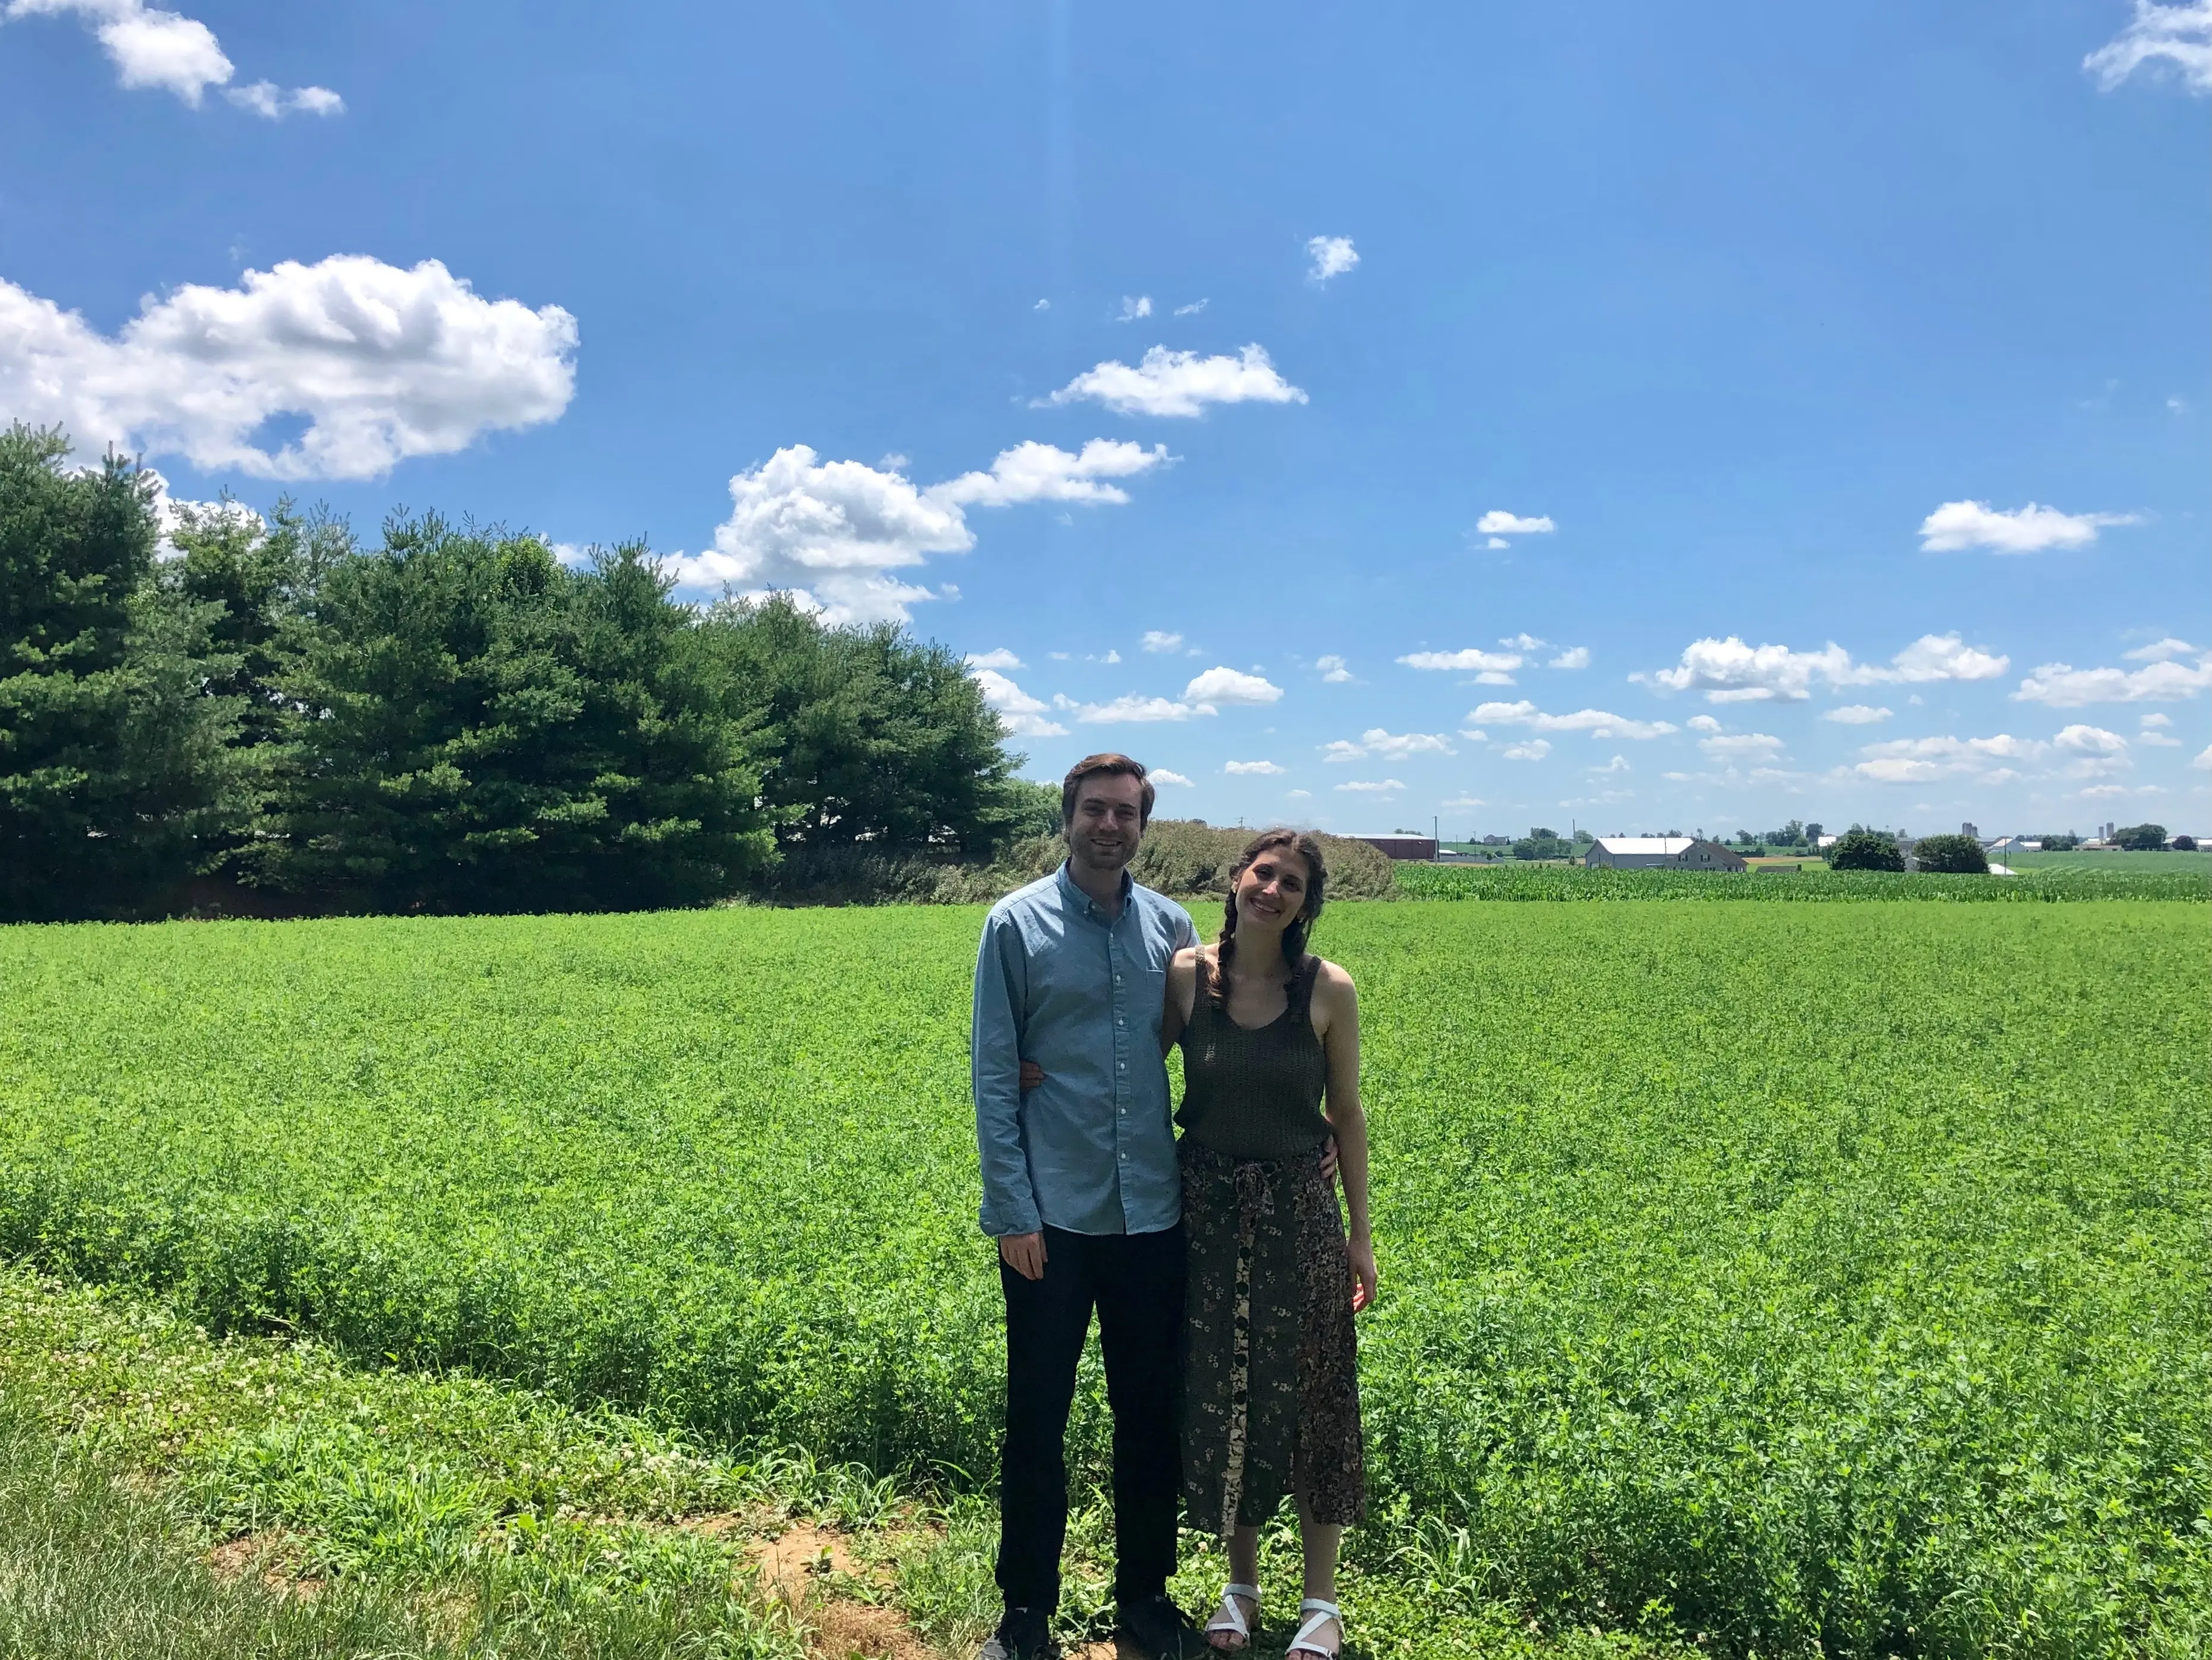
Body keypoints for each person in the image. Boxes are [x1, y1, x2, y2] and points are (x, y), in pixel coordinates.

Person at [971, 753, 1206, 1660]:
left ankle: (1144, 1599)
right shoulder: (1014, 924)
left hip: (1150, 1214)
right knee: (1037, 1417)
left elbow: (1198, 1056)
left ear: (1143, 825)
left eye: (1127, 813)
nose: (1111, 826)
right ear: (1066, 816)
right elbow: (996, 1072)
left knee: (1149, 1417)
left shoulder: (1171, 927)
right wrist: (1012, 1213)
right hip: (1051, 1225)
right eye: (1095, 810)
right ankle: (1025, 1611)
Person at [1165, 829, 1375, 1659]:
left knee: (1316, 1395)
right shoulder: (1186, 976)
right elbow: (1132, 1073)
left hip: (1299, 1211)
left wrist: (1361, 1233)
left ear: (1304, 901)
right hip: (1206, 1213)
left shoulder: (1328, 989)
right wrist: (1037, 1072)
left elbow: (1348, 1112)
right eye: (1264, 872)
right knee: (1226, 1393)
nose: (1273, 889)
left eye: (1291, 882)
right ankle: (1240, 1587)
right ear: (1235, 878)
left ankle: (1320, 1602)